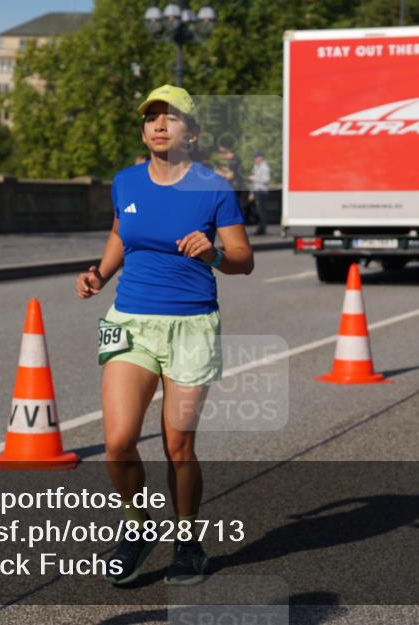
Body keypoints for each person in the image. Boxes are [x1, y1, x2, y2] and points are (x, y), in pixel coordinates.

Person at [76, 85, 253, 587]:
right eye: (151, 117)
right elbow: (119, 234)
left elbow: (244, 259)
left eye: (170, 118)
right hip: (129, 320)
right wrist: (99, 274)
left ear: (190, 133)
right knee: (118, 442)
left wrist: (213, 253)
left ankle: (188, 540)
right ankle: (136, 527)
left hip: (192, 325)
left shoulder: (214, 188)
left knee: (178, 447)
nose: (158, 125)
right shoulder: (126, 182)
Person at [247, 151, 271, 236]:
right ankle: (259, 228)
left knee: (261, 211)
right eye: (255, 157)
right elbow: (254, 183)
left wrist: (255, 178)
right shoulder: (256, 166)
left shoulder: (264, 167)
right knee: (257, 211)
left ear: (261, 158)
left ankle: (262, 229)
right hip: (257, 190)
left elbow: (266, 180)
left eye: (257, 157)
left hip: (262, 191)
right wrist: (251, 193)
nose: (255, 159)